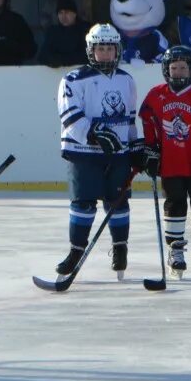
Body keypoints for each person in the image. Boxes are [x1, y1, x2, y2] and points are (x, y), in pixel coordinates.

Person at [51, 23, 138, 281]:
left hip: (118, 153)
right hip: (84, 153)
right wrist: (94, 135)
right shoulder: (72, 80)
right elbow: (70, 117)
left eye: (109, 49)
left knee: (118, 202)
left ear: (117, 50)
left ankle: (120, 249)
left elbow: (130, 120)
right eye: (100, 48)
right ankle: (76, 252)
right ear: (91, 50)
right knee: (83, 203)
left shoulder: (127, 80)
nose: (105, 54)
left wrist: (137, 146)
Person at [137, 45, 191, 276]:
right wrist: (151, 150)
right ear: (166, 69)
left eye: (183, 67)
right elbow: (148, 123)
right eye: (174, 68)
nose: (178, 72)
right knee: (174, 203)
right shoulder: (156, 95)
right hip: (171, 164)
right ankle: (175, 250)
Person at [37, 0, 90, 68]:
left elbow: (87, 55)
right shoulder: (53, 31)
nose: (63, 16)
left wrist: (64, 61)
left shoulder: (86, 30)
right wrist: (55, 61)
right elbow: (43, 55)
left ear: (74, 14)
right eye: (60, 13)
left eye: (67, 12)